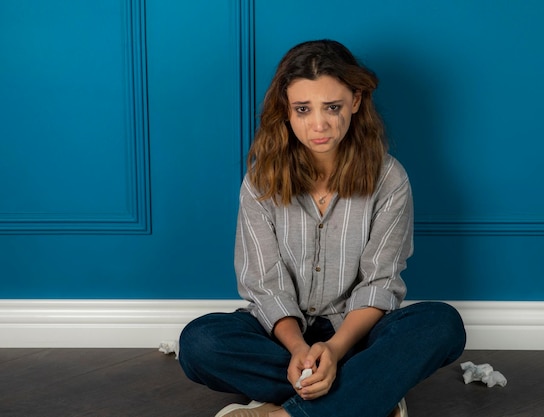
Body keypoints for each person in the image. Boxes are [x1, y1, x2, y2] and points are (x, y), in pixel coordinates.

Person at [178, 39, 466, 417]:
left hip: (358, 337)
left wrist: (334, 349)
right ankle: (365, 393)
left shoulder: (389, 180)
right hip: (281, 340)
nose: (319, 124)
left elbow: (379, 284)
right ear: (286, 110)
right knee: (200, 342)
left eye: (332, 107)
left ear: (356, 101)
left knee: (442, 325)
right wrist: (300, 349)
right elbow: (264, 284)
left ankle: (287, 411)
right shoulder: (260, 181)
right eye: (302, 109)